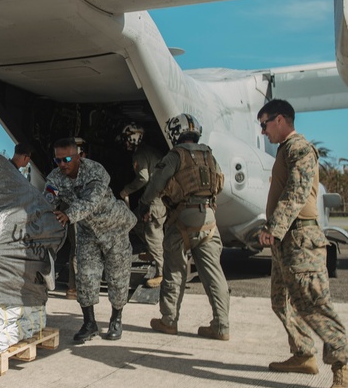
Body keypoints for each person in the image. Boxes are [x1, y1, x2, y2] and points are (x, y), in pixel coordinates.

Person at [257, 99, 348, 388]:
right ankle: (303, 354)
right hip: (285, 241)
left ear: (281, 119)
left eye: (264, 124)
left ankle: (343, 367)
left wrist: (273, 227)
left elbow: (296, 194)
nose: (262, 131)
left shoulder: (300, 148)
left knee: (314, 304)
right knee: (281, 302)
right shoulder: (283, 151)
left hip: (301, 239)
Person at [140, 114, 231, 341]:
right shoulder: (209, 154)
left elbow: (156, 184)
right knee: (214, 275)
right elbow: (220, 181)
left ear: (174, 133)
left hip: (181, 220)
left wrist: (144, 204)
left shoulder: (175, 156)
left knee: (174, 271)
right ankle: (221, 326)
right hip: (209, 219)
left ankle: (169, 321)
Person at [45, 137, 137, 343]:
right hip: (88, 233)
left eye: (67, 159)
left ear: (79, 156)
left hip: (115, 229)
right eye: (57, 160)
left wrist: (68, 214)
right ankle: (89, 323)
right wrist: (44, 213)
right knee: (85, 277)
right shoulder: (55, 178)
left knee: (118, 276)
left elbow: (91, 201)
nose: (62, 164)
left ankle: (116, 319)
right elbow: (48, 199)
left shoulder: (96, 172)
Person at [117, 122, 166, 287]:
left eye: (126, 139)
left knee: (154, 234)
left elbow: (143, 178)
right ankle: (153, 253)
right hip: (157, 198)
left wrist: (126, 191)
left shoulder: (139, 155)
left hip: (155, 201)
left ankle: (161, 272)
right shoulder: (150, 151)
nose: (125, 143)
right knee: (136, 222)